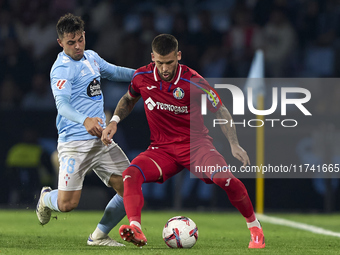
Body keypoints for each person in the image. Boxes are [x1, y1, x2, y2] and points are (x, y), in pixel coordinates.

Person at [102, 34, 265, 248]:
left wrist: (234, 143)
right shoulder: (142, 76)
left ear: (178, 56)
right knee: (130, 174)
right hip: (162, 150)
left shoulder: (193, 80)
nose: (165, 68)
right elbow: (129, 98)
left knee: (225, 179)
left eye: (170, 62)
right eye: (160, 63)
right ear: (152, 58)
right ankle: (136, 228)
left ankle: (254, 227)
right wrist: (114, 120)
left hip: (196, 147)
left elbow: (221, 109)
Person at [36, 13, 135, 247]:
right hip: (74, 144)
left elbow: (115, 71)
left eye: (80, 39)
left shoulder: (91, 57)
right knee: (68, 204)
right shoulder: (61, 69)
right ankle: (45, 198)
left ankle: (99, 236)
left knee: (131, 186)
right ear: (60, 43)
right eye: (71, 42)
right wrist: (85, 120)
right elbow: (62, 105)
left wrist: (143, 75)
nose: (78, 46)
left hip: (101, 141)